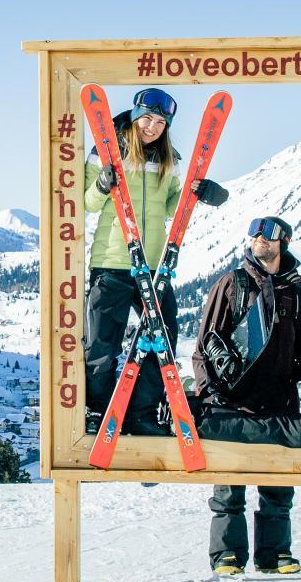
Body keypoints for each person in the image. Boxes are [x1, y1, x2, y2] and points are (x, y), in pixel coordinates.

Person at [192, 215, 301, 574]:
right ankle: (227, 555)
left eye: (267, 233)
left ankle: (275, 554)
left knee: (279, 487)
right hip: (231, 404)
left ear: (284, 241)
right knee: (228, 490)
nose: (258, 238)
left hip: (279, 402)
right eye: (253, 231)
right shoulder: (232, 284)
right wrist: (209, 394)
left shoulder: (299, 292)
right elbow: (205, 343)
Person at [82, 88, 222, 431]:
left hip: (154, 265)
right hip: (112, 262)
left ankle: (140, 412)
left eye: (161, 121)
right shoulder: (105, 151)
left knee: (163, 343)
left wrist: (203, 193)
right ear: (134, 114)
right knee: (101, 346)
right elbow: (87, 203)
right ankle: (98, 412)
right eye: (147, 118)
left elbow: (173, 206)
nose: (153, 127)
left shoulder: (167, 158)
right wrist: (102, 185)